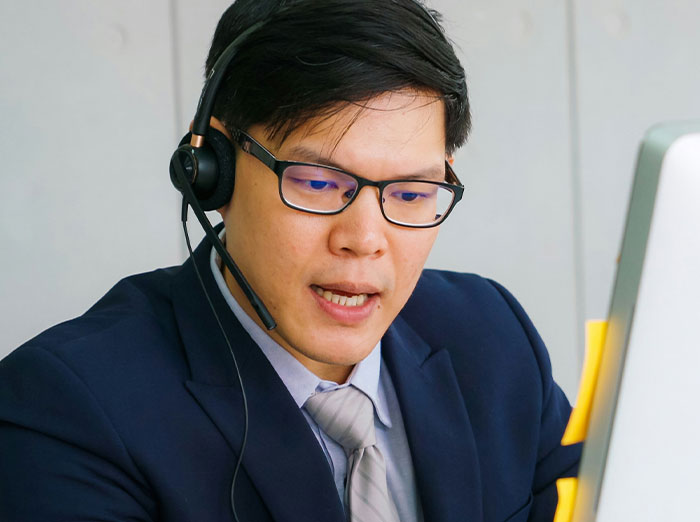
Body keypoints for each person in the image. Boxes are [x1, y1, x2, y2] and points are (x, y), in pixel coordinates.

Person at [0, 1, 581, 521]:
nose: (366, 238)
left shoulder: (495, 338)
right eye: (320, 183)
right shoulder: (69, 411)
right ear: (212, 169)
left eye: (409, 192)